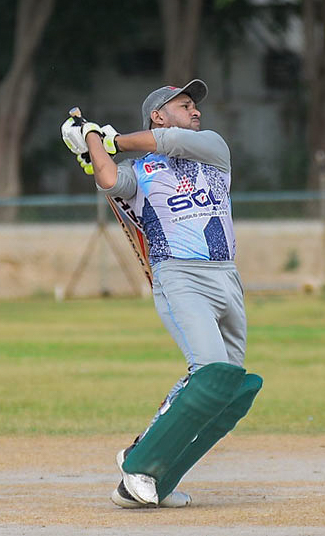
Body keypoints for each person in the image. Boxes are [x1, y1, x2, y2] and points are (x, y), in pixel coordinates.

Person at [61, 79, 263, 509]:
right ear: (158, 114)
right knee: (209, 371)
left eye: (194, 105)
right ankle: (140, 464)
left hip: (226, 276)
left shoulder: (213, 148)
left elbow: (167, 141)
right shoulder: (141, 172)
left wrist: (108, 140)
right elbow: (108, 179)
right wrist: (91, 140)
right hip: (179, 275)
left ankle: (156, 473)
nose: (196, 111)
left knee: (225, 384)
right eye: (185, 105)